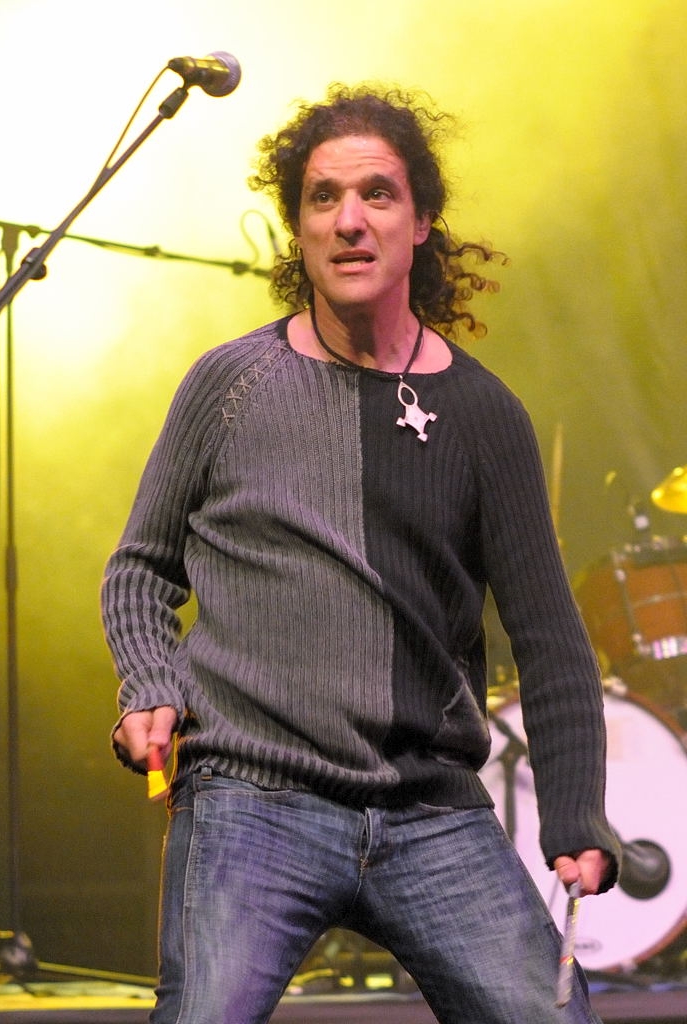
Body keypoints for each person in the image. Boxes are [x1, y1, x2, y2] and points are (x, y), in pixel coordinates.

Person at [101, 83, 620, 1024]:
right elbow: (140, 567)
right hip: (251, 795)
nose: (349, 221)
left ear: (421, 224)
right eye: (323, 198)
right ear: (298, 229)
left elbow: (549, 638)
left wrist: (577, 813)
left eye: (377, 194)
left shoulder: (483, 414)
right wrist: (149, 685)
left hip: (432, 813)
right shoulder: (231, 385)